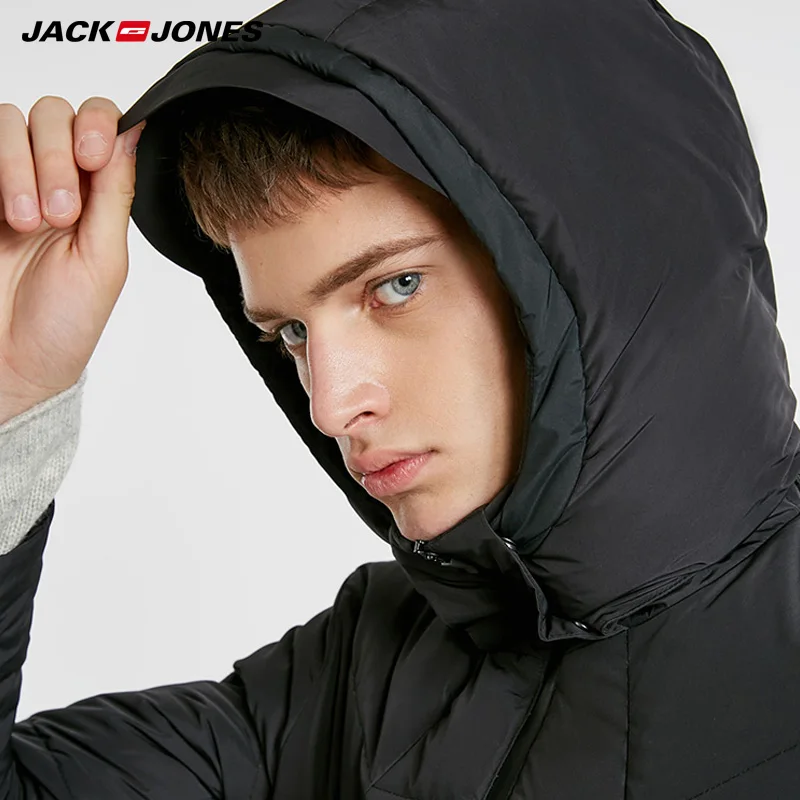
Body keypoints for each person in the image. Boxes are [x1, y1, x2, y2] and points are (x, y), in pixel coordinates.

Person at [2, 0, 799, 797]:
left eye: (396, 286)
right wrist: (16, 390)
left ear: (605, 260)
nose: (329, 406)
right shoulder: (354, 675)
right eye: (292, 333)